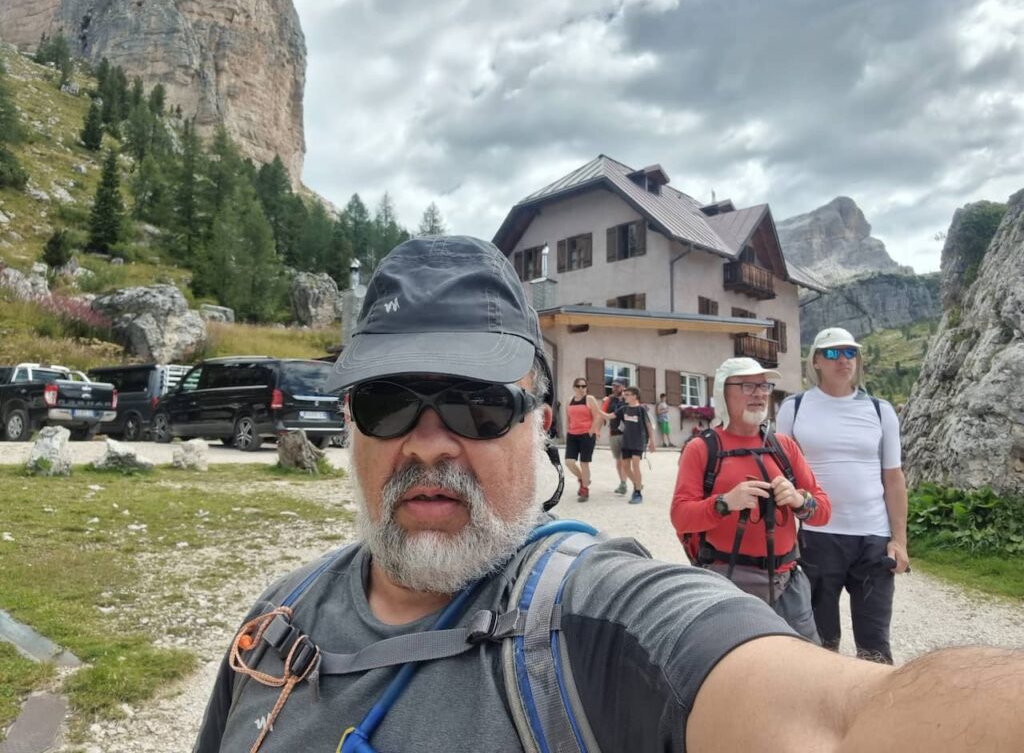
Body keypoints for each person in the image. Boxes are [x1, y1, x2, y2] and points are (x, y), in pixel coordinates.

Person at [195, 236, 1024, 753]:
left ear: (539, 425)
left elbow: (842, 725)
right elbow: (688, 512)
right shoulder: (277, 620)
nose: (429, 440)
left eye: (478, 404)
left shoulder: (594, 619)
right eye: (388, 402)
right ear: (350, 421)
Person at [671, 357, 831, 640]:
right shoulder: (701, 449)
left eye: (764, 386)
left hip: (788, 582)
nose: (759, 393)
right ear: (723, 392)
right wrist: (724, 503)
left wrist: (797, 499)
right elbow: (680, 516)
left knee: (805, 670)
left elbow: (823, 510)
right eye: (747, 386)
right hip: (727, 582)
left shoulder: (783, 447)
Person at [775, 327, 908, 664]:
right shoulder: (795, 407)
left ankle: (876, 714)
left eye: (850, 352)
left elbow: (893, 478)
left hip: (872, 538)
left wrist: (899, 541)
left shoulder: (881, 410)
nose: (843, 360)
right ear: (816, 360)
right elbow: (778, 472)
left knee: (875, 645)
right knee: (821, 642)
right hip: (817, 536)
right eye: (832, 353)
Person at [599, 386, 656, 503]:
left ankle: (637, 493)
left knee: (635, 465)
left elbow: (649, 426)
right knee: (625, 467)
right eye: (625, 394)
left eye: (628, 394)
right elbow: (610, 416)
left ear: (635, 396)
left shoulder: (641, 410)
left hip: (638, 442)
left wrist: (652, 442)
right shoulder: (623, 409)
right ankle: (638, 484)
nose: (625, 396)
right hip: (626, 442)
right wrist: (596, 409)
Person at [564, 377, 602, 501]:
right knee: (569, 462)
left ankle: (584, 490)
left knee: (584, 463)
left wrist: (592, 431)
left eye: (584, 386)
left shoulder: (589, 399)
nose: (581, 388)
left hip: (586, 434)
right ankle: (583, 479)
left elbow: (597, 416)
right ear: (574, 387)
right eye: (579, 386)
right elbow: (567, 418)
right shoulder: (569, 400)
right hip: (572, 435)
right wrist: (567, 432)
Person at [600, 376, 630, 494]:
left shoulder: (628, 399)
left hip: (627, 434)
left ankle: (625, 483)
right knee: (618, 460)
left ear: (623, 387)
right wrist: (596, 430)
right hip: (613, 433)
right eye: (613, 385)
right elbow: (602, 414)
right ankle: (622, 483)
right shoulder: (609, 400)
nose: (614, 388)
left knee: (624, 460)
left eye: (617, 386)